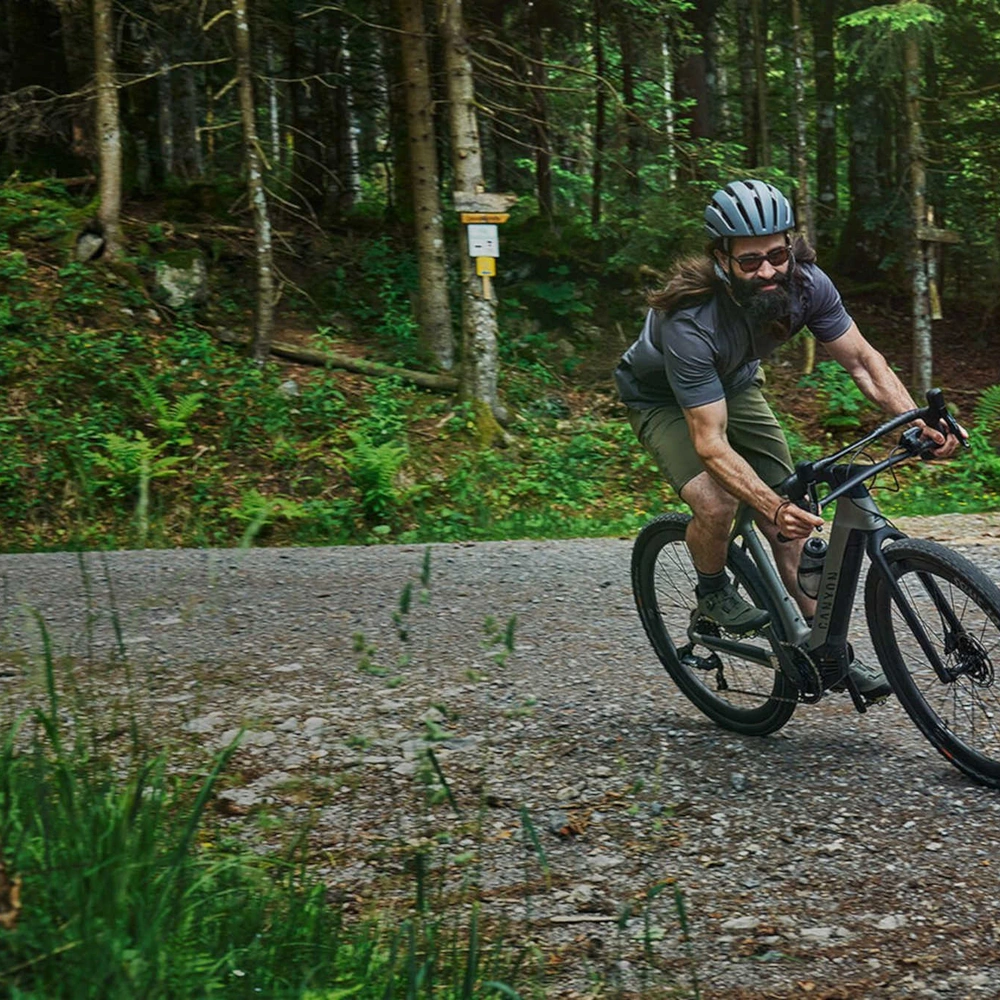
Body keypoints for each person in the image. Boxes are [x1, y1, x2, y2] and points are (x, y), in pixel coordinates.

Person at [615, 178, 962, 702]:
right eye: (750, 261)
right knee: (718, 501)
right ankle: (712, 591)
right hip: (662, 397)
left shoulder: (808, 284)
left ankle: (826, 655)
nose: (768, 270)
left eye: (777, 254)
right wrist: (769, 507)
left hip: (734, 381)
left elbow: (864, 362)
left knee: (792, 507)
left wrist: (915, 421)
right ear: (722, 259)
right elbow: (709, 444)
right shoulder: (689, 321)